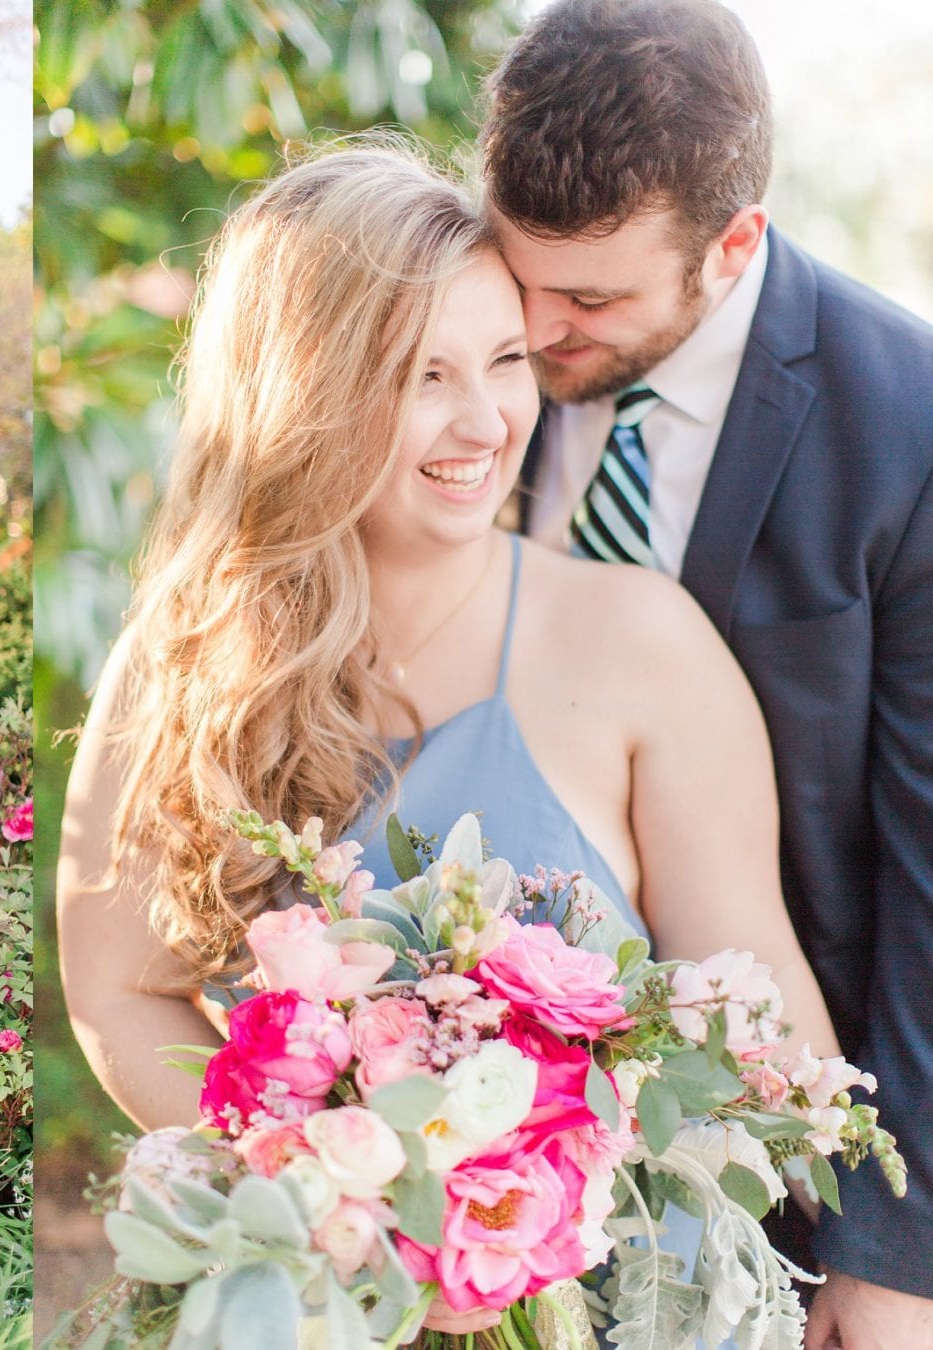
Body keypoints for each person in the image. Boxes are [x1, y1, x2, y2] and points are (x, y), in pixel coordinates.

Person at [55, 140, 839, 1332]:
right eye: (423, 375)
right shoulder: (181, 664)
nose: (484, 419)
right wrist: (327, 1192)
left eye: (508, 360)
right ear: (304, 394)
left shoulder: (639, 644)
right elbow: (117, 988)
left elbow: (769, 1026)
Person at [479, 3, 933, 1343]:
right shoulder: (458, 349)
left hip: (792, 1147)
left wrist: (894, 1250)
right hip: (474, 1120)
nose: (539, 329)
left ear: (734, 243)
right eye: (522, 277)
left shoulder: (901, 422)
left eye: (593, 299)